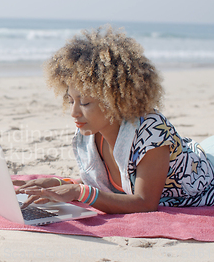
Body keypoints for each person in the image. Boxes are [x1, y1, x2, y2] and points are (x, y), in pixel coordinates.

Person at [13, 26, 214, 214]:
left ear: (114, 100)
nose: (74, 112)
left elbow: (145, 202)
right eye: (71, 100)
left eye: (84, 103)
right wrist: (57, 184)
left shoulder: (152, 131)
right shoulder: (90, 132)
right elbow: (102, 186)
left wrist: (79, 192)